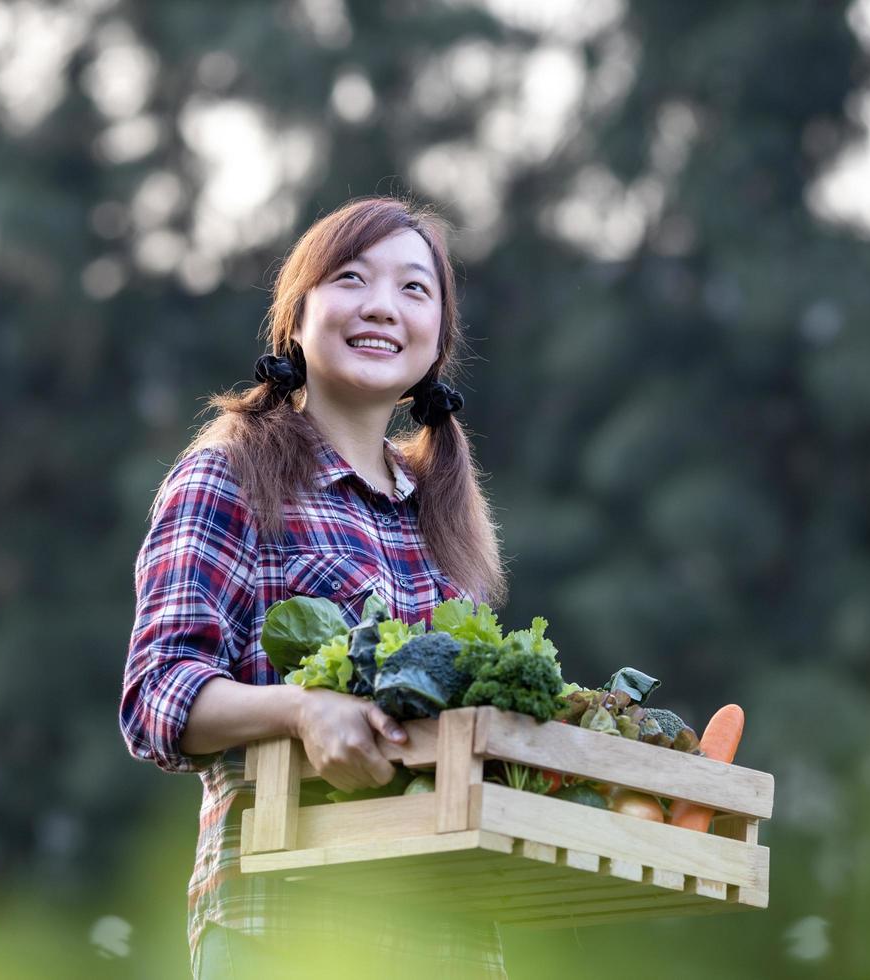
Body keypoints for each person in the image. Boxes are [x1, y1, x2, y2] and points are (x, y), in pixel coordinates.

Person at [120, 196, 510, 978]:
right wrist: (303, 711)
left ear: (437, 339)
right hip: (285, 935)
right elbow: (157, 695)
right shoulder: (230, 472)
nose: (381, 307)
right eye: (352, 278)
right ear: (297, 317)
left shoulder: (443, 514)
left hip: (450, 945)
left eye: (413, 289)